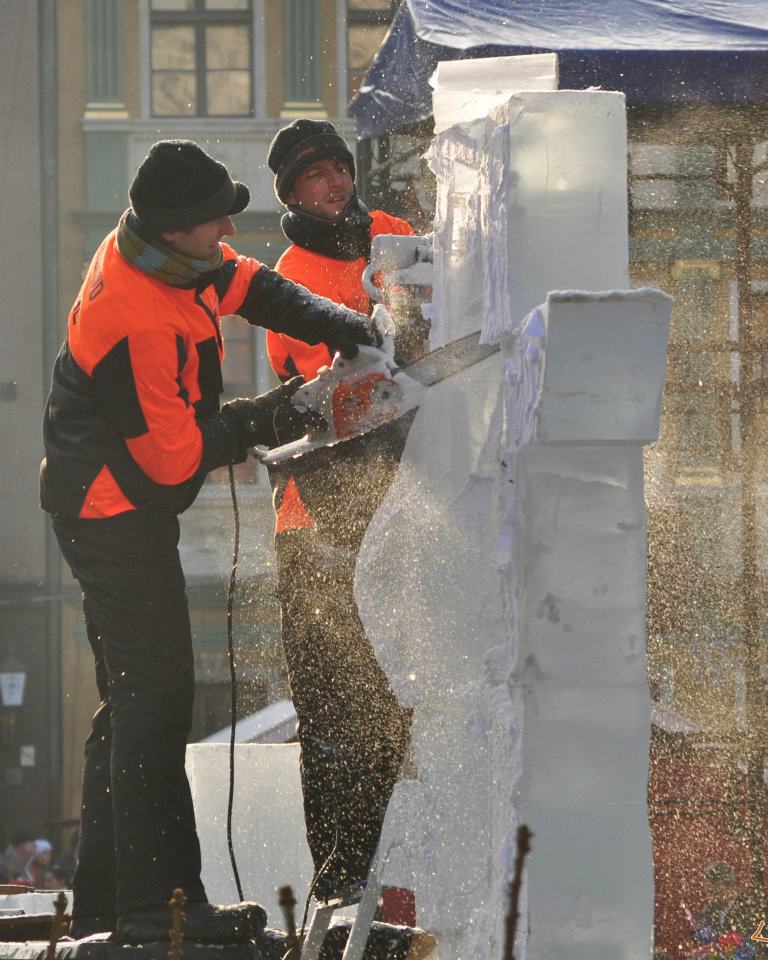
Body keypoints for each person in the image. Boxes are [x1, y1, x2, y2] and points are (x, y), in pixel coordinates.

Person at [40, 139, 381, 944]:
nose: (227, 227)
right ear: (173, 229)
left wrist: (341, 326)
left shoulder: (169, 252)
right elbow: (171, 461)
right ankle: (161, 913)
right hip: (111, 509)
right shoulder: (134, 316)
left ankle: (108, 906)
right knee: (157, 700)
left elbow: (246, 281)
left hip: (113, 495)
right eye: (214, 219)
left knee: (130, 700)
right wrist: (275, 413)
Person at [263, 119, 424, 901]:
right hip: (319, 512)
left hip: (399, 499)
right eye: (312, 177)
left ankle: (389, 867)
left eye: (335, 168)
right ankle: (340, 874)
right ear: (292, 195)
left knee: (396, 696)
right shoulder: (290, 276)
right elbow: (332, 395)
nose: (331, 184)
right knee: (335, 706)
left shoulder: (392, 233)